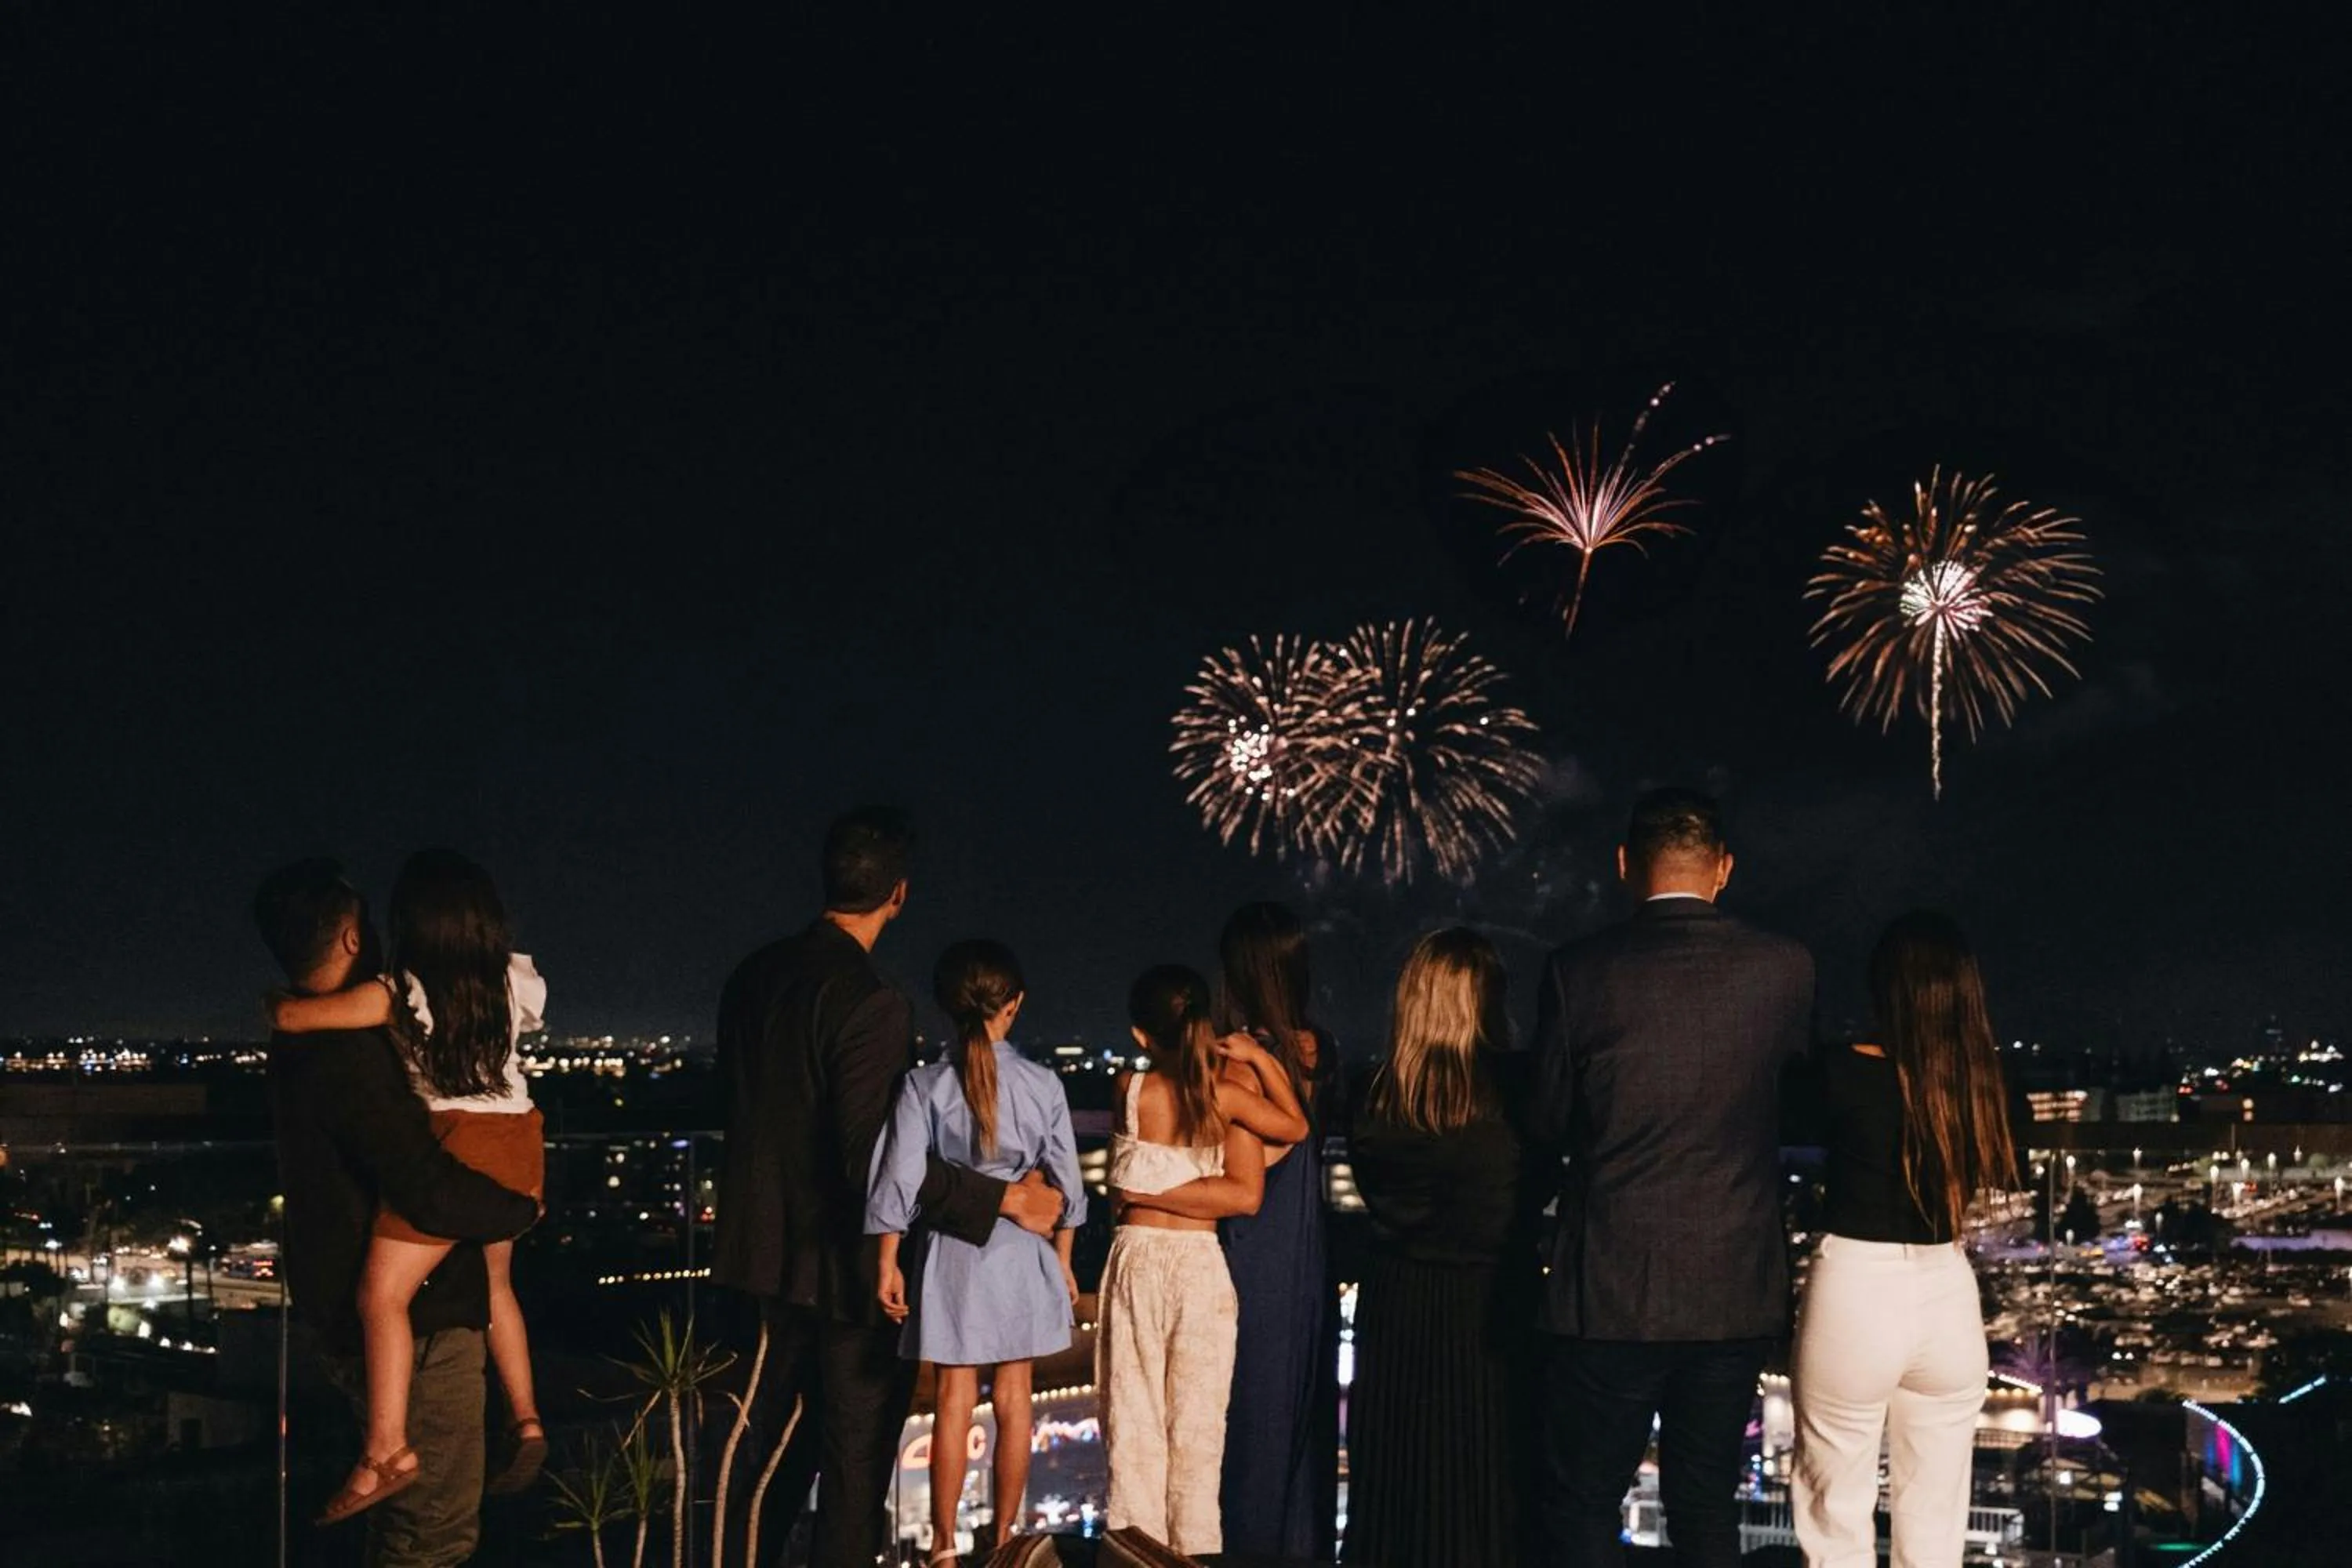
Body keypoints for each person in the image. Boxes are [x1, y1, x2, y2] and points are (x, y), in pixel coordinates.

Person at [710, 809, 1065, 1568]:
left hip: (757, 1259)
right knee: (852, 1469)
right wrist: (999, 1197)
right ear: (898, 894)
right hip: (847, 1270)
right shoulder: (872, 998)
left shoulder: (753, 973)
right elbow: (873, 1153)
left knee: (757, 1468)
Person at [1530, 789, 1816, 1568]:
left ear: (1625, 866)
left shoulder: (1577, 971)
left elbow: (1547, 1118)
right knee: (1704, 1498)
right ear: (1723, 869)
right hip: (1730, 1283)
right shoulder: (1785, 969)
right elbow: (1791, 1107)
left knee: (1584, 1498)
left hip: (1610, 1283)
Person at [253, 859, 540, 1565]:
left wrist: (279, 1007)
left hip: (395, 1305)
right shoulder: (363, 1046)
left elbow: (290, 1013)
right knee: (431, 1537)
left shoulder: (343, 1028)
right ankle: (492, 1424)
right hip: (434, 1320)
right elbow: (426, 1186)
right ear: (352, 939)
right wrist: (519, 1209)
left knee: (418, 1531)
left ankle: (396, 1448)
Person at [1791, 913, 2017, 1567]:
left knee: (1835, 1512)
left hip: (1857, 1290)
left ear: (1883, 987)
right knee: (1937, 1521)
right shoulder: (1984, 1086)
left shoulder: (1837, 1073)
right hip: (1949, 1294)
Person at [866, 940, 1086, 1564]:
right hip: (1021, 1256)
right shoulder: (1042, 1084)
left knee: (953, 1399)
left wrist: (888, 1262)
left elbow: (898, 1180)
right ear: (1013, 1006)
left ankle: (941, 1547)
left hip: (954, 1252)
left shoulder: (924, 1085)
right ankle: (1009, 1538)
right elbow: (1069, 1188)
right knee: (1016, 1397)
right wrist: (1065, 1260)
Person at [1346, 927, 1541, 1568]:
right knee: (1485, 1477)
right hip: (1492, 1305)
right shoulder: (1515, 1091)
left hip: (1396, 1304)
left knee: (1399, 1476)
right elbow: (1540, 1185)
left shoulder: (1375, 1094)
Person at [1097, 964, 1308, 1556]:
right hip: (1198, 1261)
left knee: (1133, 1415)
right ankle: (1193, 1554)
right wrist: (1258, 1060)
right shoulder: (1225, 1094)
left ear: (1142, 1035)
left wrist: (1144, 1192)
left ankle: (1133, 1553)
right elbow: (1294, 1126)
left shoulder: (1127, 1090)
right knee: (1198, 1423)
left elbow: (1129, 1178)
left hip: (1136, 1256)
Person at [1211, 901, 1343, 1560]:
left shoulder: (1238, 1062)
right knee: (1299, 1410)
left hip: (1253, 1249)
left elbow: (1255, 1161)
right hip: (1307, 1250)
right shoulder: (1318, 1049)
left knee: (1249, 1414)